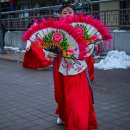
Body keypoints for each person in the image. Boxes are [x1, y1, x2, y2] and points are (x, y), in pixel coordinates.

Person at [46, 1, 98, 130]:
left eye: (70, 11)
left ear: (75, 13)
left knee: (77, 97)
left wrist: (84, 50)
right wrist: (49, 54)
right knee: (61, 95)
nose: (68, 14)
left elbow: (90, 46)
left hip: (78, 67)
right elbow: (47, 47)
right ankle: (63, 115)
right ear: (60, 15)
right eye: (64, 12)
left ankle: (78, 123)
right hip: (61, 67)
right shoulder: (55, 29)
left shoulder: (83, 27)